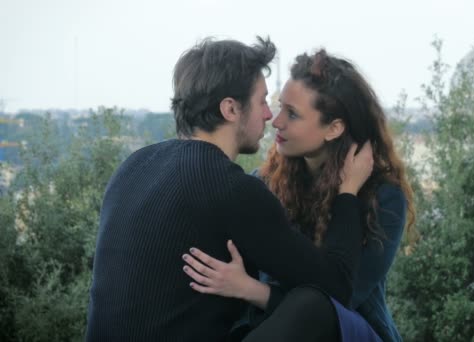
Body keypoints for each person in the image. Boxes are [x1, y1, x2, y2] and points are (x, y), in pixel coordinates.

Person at [85, 37, 374, 342]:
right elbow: (336, 287)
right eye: (262, 101)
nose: (268, 115)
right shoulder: (231, 189)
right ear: (231, 109)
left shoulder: (133, 166)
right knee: (316, 306)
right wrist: (347, 192)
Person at [183, 49, 417, 341]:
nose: (276, 121)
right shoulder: (265, 183)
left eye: (292, 114)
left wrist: (251, 290)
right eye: (279, 107)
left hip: (350, 331)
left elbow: (338, 303)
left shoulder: (383, 197)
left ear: (333, 128)